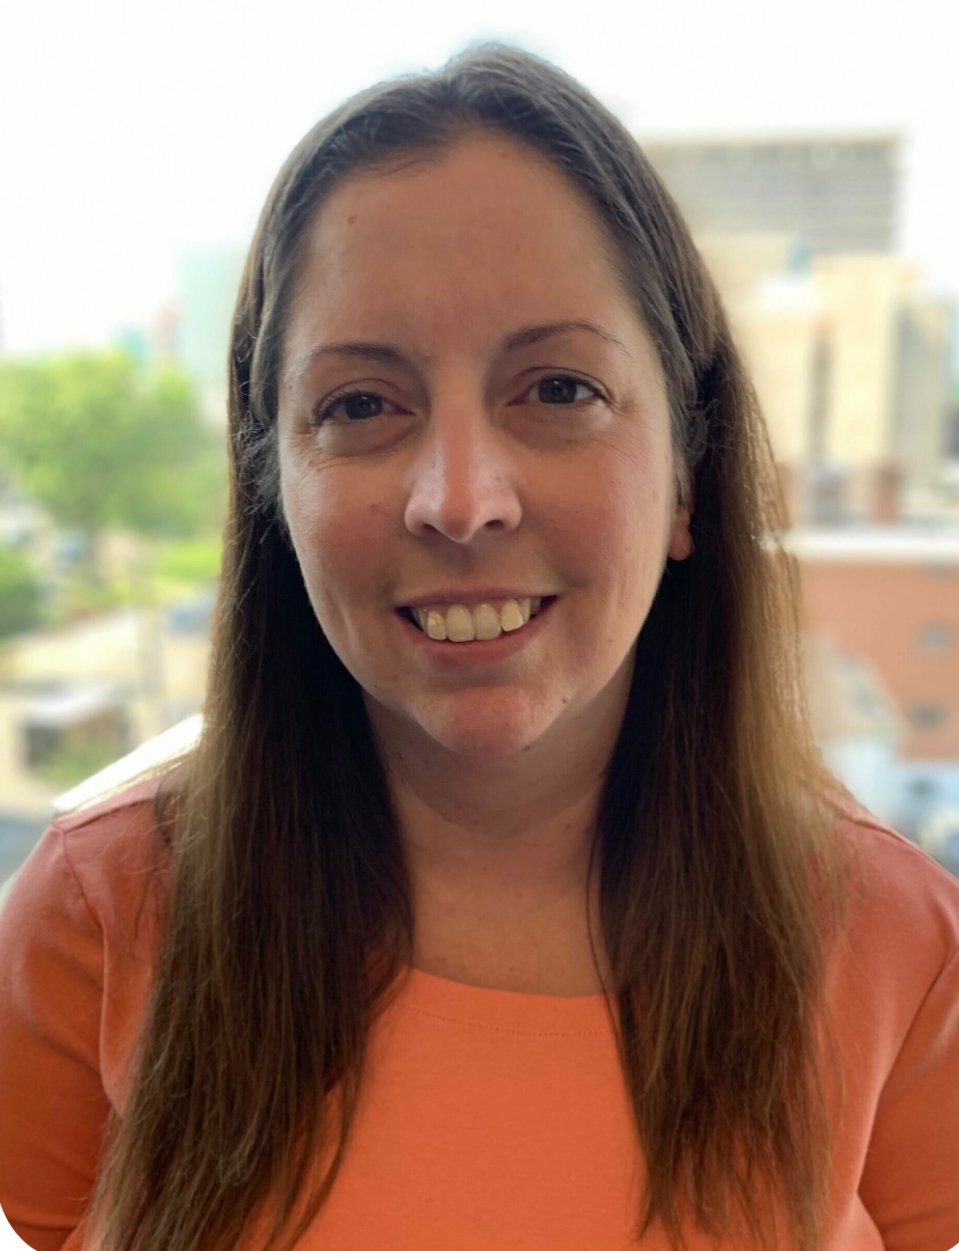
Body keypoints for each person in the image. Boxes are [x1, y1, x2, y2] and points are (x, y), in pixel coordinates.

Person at [1, 41, 957, 1251]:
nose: (459, 499)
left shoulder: (898, 948)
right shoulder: (95, 916)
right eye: (360, 405)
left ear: (685, 478)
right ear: (271, 487)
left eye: (557, 390)